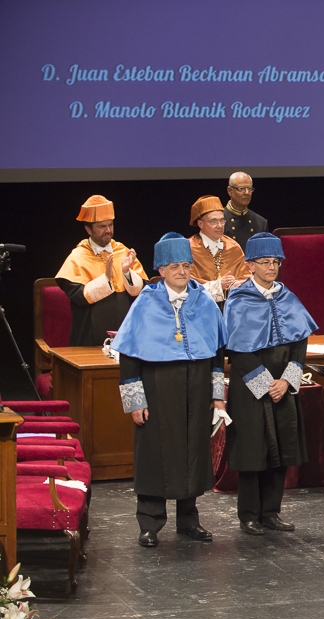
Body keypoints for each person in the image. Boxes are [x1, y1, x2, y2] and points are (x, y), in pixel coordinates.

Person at [112, 233, 226, 547]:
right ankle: (149, 523)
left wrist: (217, 396)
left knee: (192, 453)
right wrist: (135, 401)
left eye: (186, 265)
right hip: (157, 391)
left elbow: (217, 352)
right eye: (175, 266)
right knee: (154, 456)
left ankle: (188, 520)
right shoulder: (145, 302)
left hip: (196, 389)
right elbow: (129, 356)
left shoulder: (203, 299)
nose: (182, 271)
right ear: (161, 270)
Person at [224, 233, 318, 535]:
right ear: (250, 265)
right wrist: (267, 384)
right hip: (251, 389)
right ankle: (249, 514)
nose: (271, 267)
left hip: (283, 386)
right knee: (254, 454)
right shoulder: (239, 299)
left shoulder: (287, 297)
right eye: (265, 262)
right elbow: (237, 351)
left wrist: (287, 380)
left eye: (275, 262)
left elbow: (299, 344)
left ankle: (271, 512)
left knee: (281, 451)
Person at [56, 195, 148, 346]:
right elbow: (78, 296)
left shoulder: (122, 250)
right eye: (101, 226)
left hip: (125, 335)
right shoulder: (78, 256)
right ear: (88, 229)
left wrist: (126, 272)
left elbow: (143, 290)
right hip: (90, 338)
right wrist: (105, 280)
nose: (108, 230)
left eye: (110, 225)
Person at [188, 195, 251, 305]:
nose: (219, 226)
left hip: (232, 308)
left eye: (222, 221)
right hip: (200, 309)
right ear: (200, 224)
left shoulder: (233, 247)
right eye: (213, 221)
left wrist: (234, 286)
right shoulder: (189, 247)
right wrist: (218, 285)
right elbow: (186, 286)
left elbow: (246, 278)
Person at [224, 171, 269, 250]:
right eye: (241, 189)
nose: (247, 193)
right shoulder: (218, 220)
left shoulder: (261, 223)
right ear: (230, 191)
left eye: (249, 189)